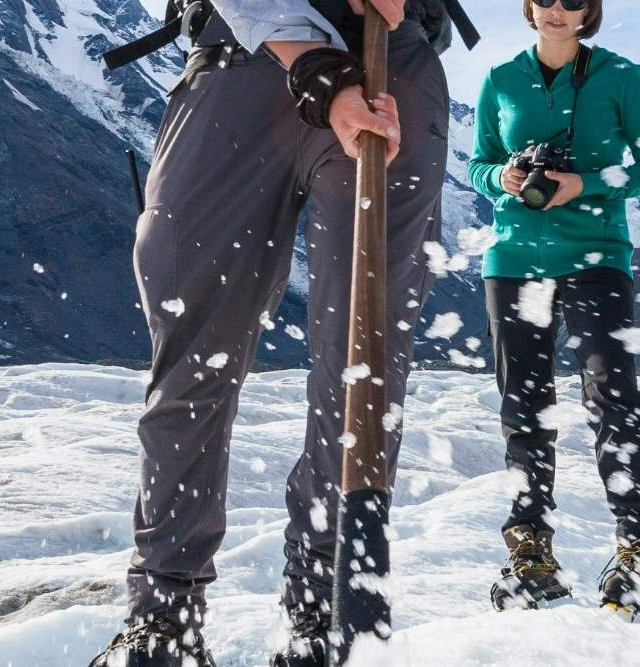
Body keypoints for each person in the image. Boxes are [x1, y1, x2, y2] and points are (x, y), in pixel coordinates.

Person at [95, 0, 475, 665]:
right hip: (238, 56)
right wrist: (315, 66)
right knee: (193, 354)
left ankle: (322, 610)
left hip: (392, 58)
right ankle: (164, 619)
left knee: (361, 365)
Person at [460, 0, 640, 615]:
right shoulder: (499, 80)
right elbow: (476, 164)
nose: (559, 9)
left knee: (613, 396)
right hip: (512, 262)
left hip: (596, 258)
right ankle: (530, 552)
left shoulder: (620, 75)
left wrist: (585, 183)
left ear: (591, 10)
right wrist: (501, 176)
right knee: (522, 406)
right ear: (528, 7)